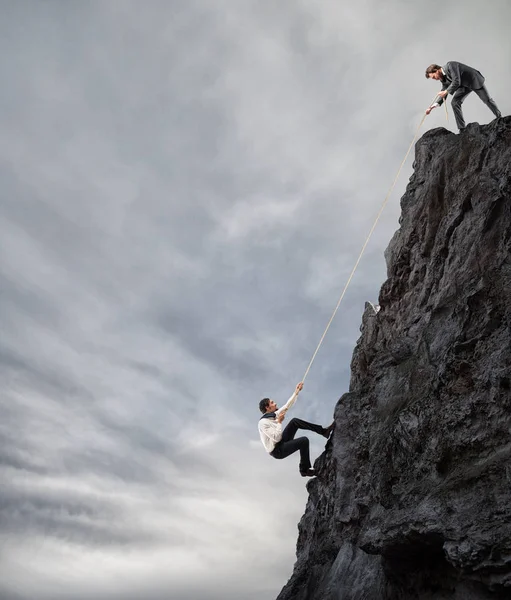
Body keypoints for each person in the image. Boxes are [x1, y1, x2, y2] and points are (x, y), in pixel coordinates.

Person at [258, 382, 334, 477]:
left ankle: (323, 431)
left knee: (294, 421)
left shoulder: (273, 415)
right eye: (272, 403)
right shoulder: (263, 423)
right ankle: (304, 469)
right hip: (277, 451)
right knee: (304, 441)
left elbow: (287, 406)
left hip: (281, 441)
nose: (275, 403)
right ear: (267, 407)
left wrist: (296, 391)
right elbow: (276, 438)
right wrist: (279, 422)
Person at [425, 61, 501, 131]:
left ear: (436, 70)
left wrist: (446, 91)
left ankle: (499, 118)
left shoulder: (451, 65)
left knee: (487, 100)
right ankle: (462, 129)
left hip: (473, 80)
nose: (435, 79)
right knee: (454, 103)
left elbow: (456, 81)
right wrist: (432, 106)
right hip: (463, 86)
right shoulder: (442, 79)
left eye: (434, 77)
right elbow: (444, 90)